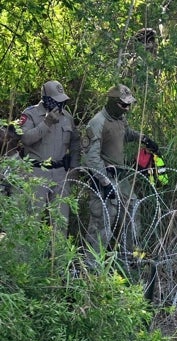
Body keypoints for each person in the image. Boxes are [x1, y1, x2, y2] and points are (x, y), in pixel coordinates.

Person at [81, 84, 156, 254]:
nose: (127, 109)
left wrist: (143, 138)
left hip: (120, 178)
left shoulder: (119, 118)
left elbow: (125, 133)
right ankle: (92, 266)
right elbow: (91, 157)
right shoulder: (97, 122)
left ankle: (129, 257)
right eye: (123, 105)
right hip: (104, 178)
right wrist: (105, 181)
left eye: (129, 105)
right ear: (113, 102)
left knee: (133, 210)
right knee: (103, 221)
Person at [15, 80, 78, 224]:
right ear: (46, 99)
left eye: (63, 101)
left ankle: (58, 247)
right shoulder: (30, 114)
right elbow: (25, 138)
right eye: (56, 101)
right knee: (31, 220)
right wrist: (47, 123)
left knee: (61, 222)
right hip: (36, 173)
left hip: (61, 174)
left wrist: (74, 166)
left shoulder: (67, 117)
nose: (60, 105)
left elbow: (75, 142)